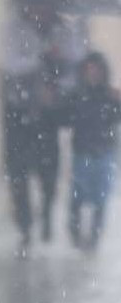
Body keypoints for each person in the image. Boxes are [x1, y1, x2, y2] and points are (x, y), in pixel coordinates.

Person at [3, 0, 85, 253]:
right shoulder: (13, 28)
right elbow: (11, 63)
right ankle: (25, 228)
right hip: (18, 108)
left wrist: (57, 86)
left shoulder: (65, 30)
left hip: (49, 113)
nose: (40, 9)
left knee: (49, 168)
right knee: (17, 172)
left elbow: (76, 70)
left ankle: (47, 210)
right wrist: (41, 58)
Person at [62, 52, 121, 250]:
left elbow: (116, 117)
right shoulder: (77, 95)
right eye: (89, 69)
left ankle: (94, 239)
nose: (93, 73)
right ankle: (76, 234)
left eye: (96, 69)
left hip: (103, 154)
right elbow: (64, 118)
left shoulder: (109, 96)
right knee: (77, 197)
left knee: (100, 199)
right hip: (82, 153)